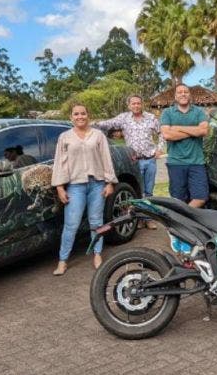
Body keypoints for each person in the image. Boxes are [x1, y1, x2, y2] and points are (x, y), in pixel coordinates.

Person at [51, 103, 118, 276]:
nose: (80, 116)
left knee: (96, 222)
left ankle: (97, 254)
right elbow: (59, 162)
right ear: (71, 117)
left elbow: (106, 158)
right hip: (75, 186)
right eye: (76, 114)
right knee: (71, 224)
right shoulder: (64, 137)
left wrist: (110, 182)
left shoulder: (98, 135)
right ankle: (63, 260)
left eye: (83, 113)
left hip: (97, 184)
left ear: (88, 115)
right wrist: (59, 187)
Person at [94, 95, 164, 228]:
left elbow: (162, 133)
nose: (136, 106)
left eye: (138, 103)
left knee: (149, 192)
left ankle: (148, 219)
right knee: (137, 192)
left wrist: (159, 149)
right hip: (133, 161)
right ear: (129, 105)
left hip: (149, 160)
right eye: (133, 103)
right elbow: (107, 124)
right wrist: (91, 125)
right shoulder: (124, 118)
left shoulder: (151, 118)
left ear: (142, 104)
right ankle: (138, 219)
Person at [160, 84, 209, 208]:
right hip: (176, 162)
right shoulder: (167, 113)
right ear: (175, 96)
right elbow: (167, 135)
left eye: (186, 92)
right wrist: (194, 131)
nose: (183, 94)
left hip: (197, 162)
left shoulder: (198, 112)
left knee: (200, 197)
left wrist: (178, 128)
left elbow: (203, 131)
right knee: (178, 200)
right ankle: (180, 224)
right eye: (180, 92)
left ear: (190, 95)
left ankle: (183, 218)